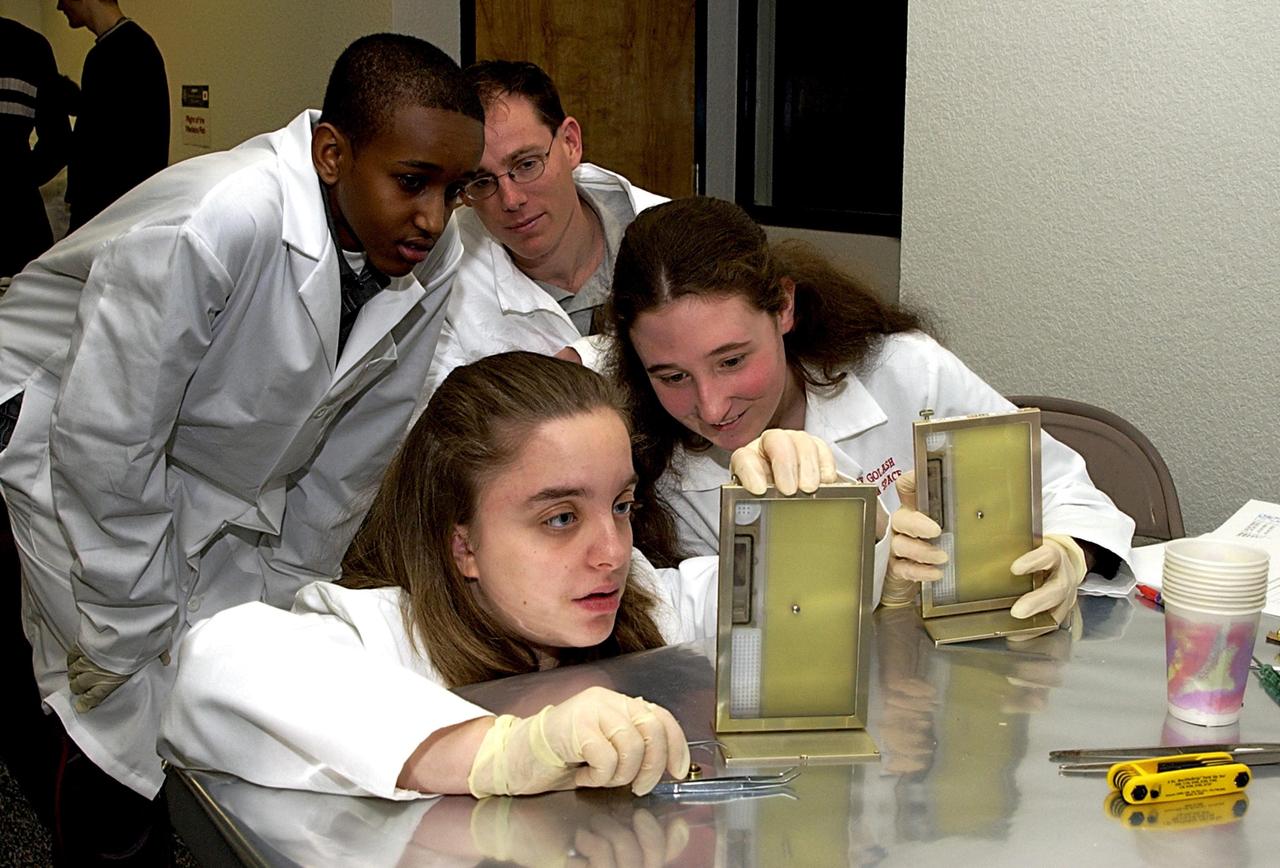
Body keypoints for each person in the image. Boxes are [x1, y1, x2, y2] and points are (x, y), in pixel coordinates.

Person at [0, 33, 483, 862]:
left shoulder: (432, 259)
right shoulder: (214, 221)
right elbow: (107, 446)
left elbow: (350, 459)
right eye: (412, 182)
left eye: (456, 189)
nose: (434, 219)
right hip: (43, 422)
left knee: (202, 650)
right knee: (102, 693)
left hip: (172, 449)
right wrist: (123, 625)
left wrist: (286, 604)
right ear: (332, 153)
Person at [160, 352, 727, 799]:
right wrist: (504, 751)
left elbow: (771, 607)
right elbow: (217, 662)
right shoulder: (382, 638)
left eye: (622, 506)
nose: (612, 552)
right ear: (464, 546)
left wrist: (791, 514)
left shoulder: (643, 602)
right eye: (560, 518)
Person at [604, 196, 1135, 629]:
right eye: (672, 377)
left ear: (784, 307)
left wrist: (1070, 551)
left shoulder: (904, 372)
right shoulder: (646, 468)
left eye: (733, 360)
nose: (712, 406)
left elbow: (1064, 490)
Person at [424, 60, 666, 392]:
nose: (510, 200)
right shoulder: (441, 278)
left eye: (526, 164)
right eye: (480, 182)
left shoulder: (675, 235)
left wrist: (584, 359)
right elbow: (442, 425)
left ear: (570, 143)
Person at [55, 0, 169, 229]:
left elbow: (108, 150)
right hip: (118, 219)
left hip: (111, 223)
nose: (60, 6)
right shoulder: (129, 48)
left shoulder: (123, 52)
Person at [0, 17, 72, 277]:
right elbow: (59, 141)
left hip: (17, 221)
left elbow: (59, 142)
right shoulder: (28, 46)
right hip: (18, 221)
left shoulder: (29, 47)